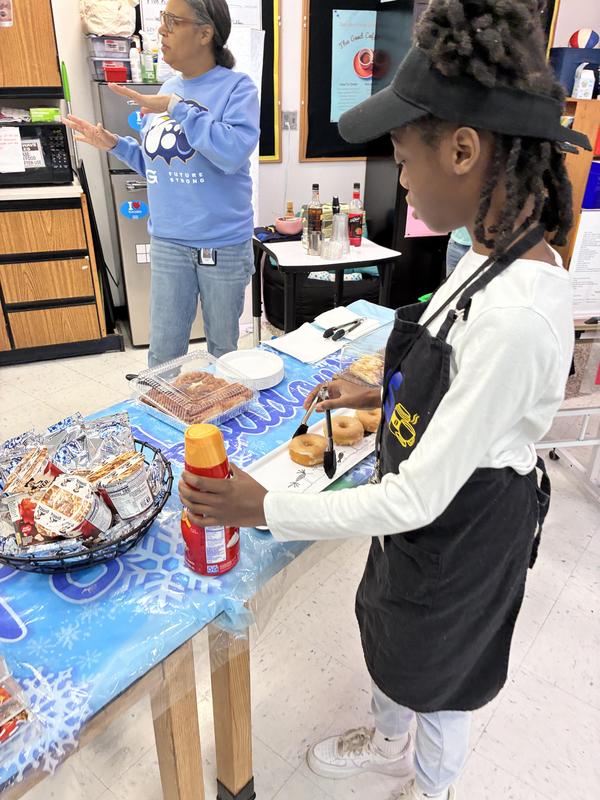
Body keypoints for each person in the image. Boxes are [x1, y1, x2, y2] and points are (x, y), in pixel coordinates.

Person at [178, 1, 591, 798]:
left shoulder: (519, 312)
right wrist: (379, 385)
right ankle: (388, 738)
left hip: (463, 523)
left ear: (464, 149)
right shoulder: (485, 250)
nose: (399, 176)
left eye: (403, 158)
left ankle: (431, 783)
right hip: (427, 506)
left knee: (444, 671)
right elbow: (448, 357)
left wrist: (264, 506)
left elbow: (412, 498)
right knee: (395, 630)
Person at [65, 0, 260, 365]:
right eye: (162, 20)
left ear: (205, 33)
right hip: (169, 241)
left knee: (223, 353)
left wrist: (176, 106)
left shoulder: (237, 89)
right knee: (163, 354)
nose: (161, 29)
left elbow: (230, 153)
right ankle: (164, 415)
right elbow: (157, 166)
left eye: (172, 20)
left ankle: (217, 420)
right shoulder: (170, 85)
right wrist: (113, 143)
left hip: (222, 244)